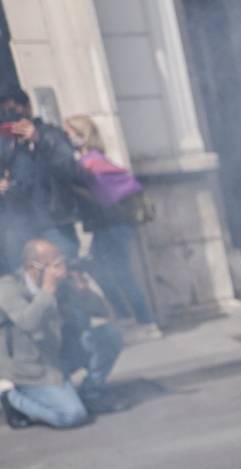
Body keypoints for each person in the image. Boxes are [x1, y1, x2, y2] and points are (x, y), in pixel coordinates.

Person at [0, 237, 122, 429]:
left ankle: (90, 393)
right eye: (56, 263)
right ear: (35, 266)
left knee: (109, 335)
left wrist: (84, 292)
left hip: (60, 356)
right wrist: (47, 290)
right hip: (32, 368)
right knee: (72, 415)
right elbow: (28, 323)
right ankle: (13, 399)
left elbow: (105, 312)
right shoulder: (8, 287)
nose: (61, 268)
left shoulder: (62, 284)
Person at [63, 114, 160, 338]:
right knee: (103, 270)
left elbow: (101, 195)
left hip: (114, 224)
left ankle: (146, 323)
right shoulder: (92, 159)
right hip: (109, 225)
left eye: (68, 133)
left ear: (81, 135)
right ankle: (128, 318)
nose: (66, 138)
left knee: (120, 273)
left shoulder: (91, 162)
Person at [0, 87, 81, 271]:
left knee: (65, 274)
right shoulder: (5, 143)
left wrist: (38, 139)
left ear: (27, 107)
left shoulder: (50, 134)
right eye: (4, 111)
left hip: (53, 222)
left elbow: (68, 168)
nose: (10, 116)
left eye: (14, 109)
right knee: (24, 278)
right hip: (18, 225)